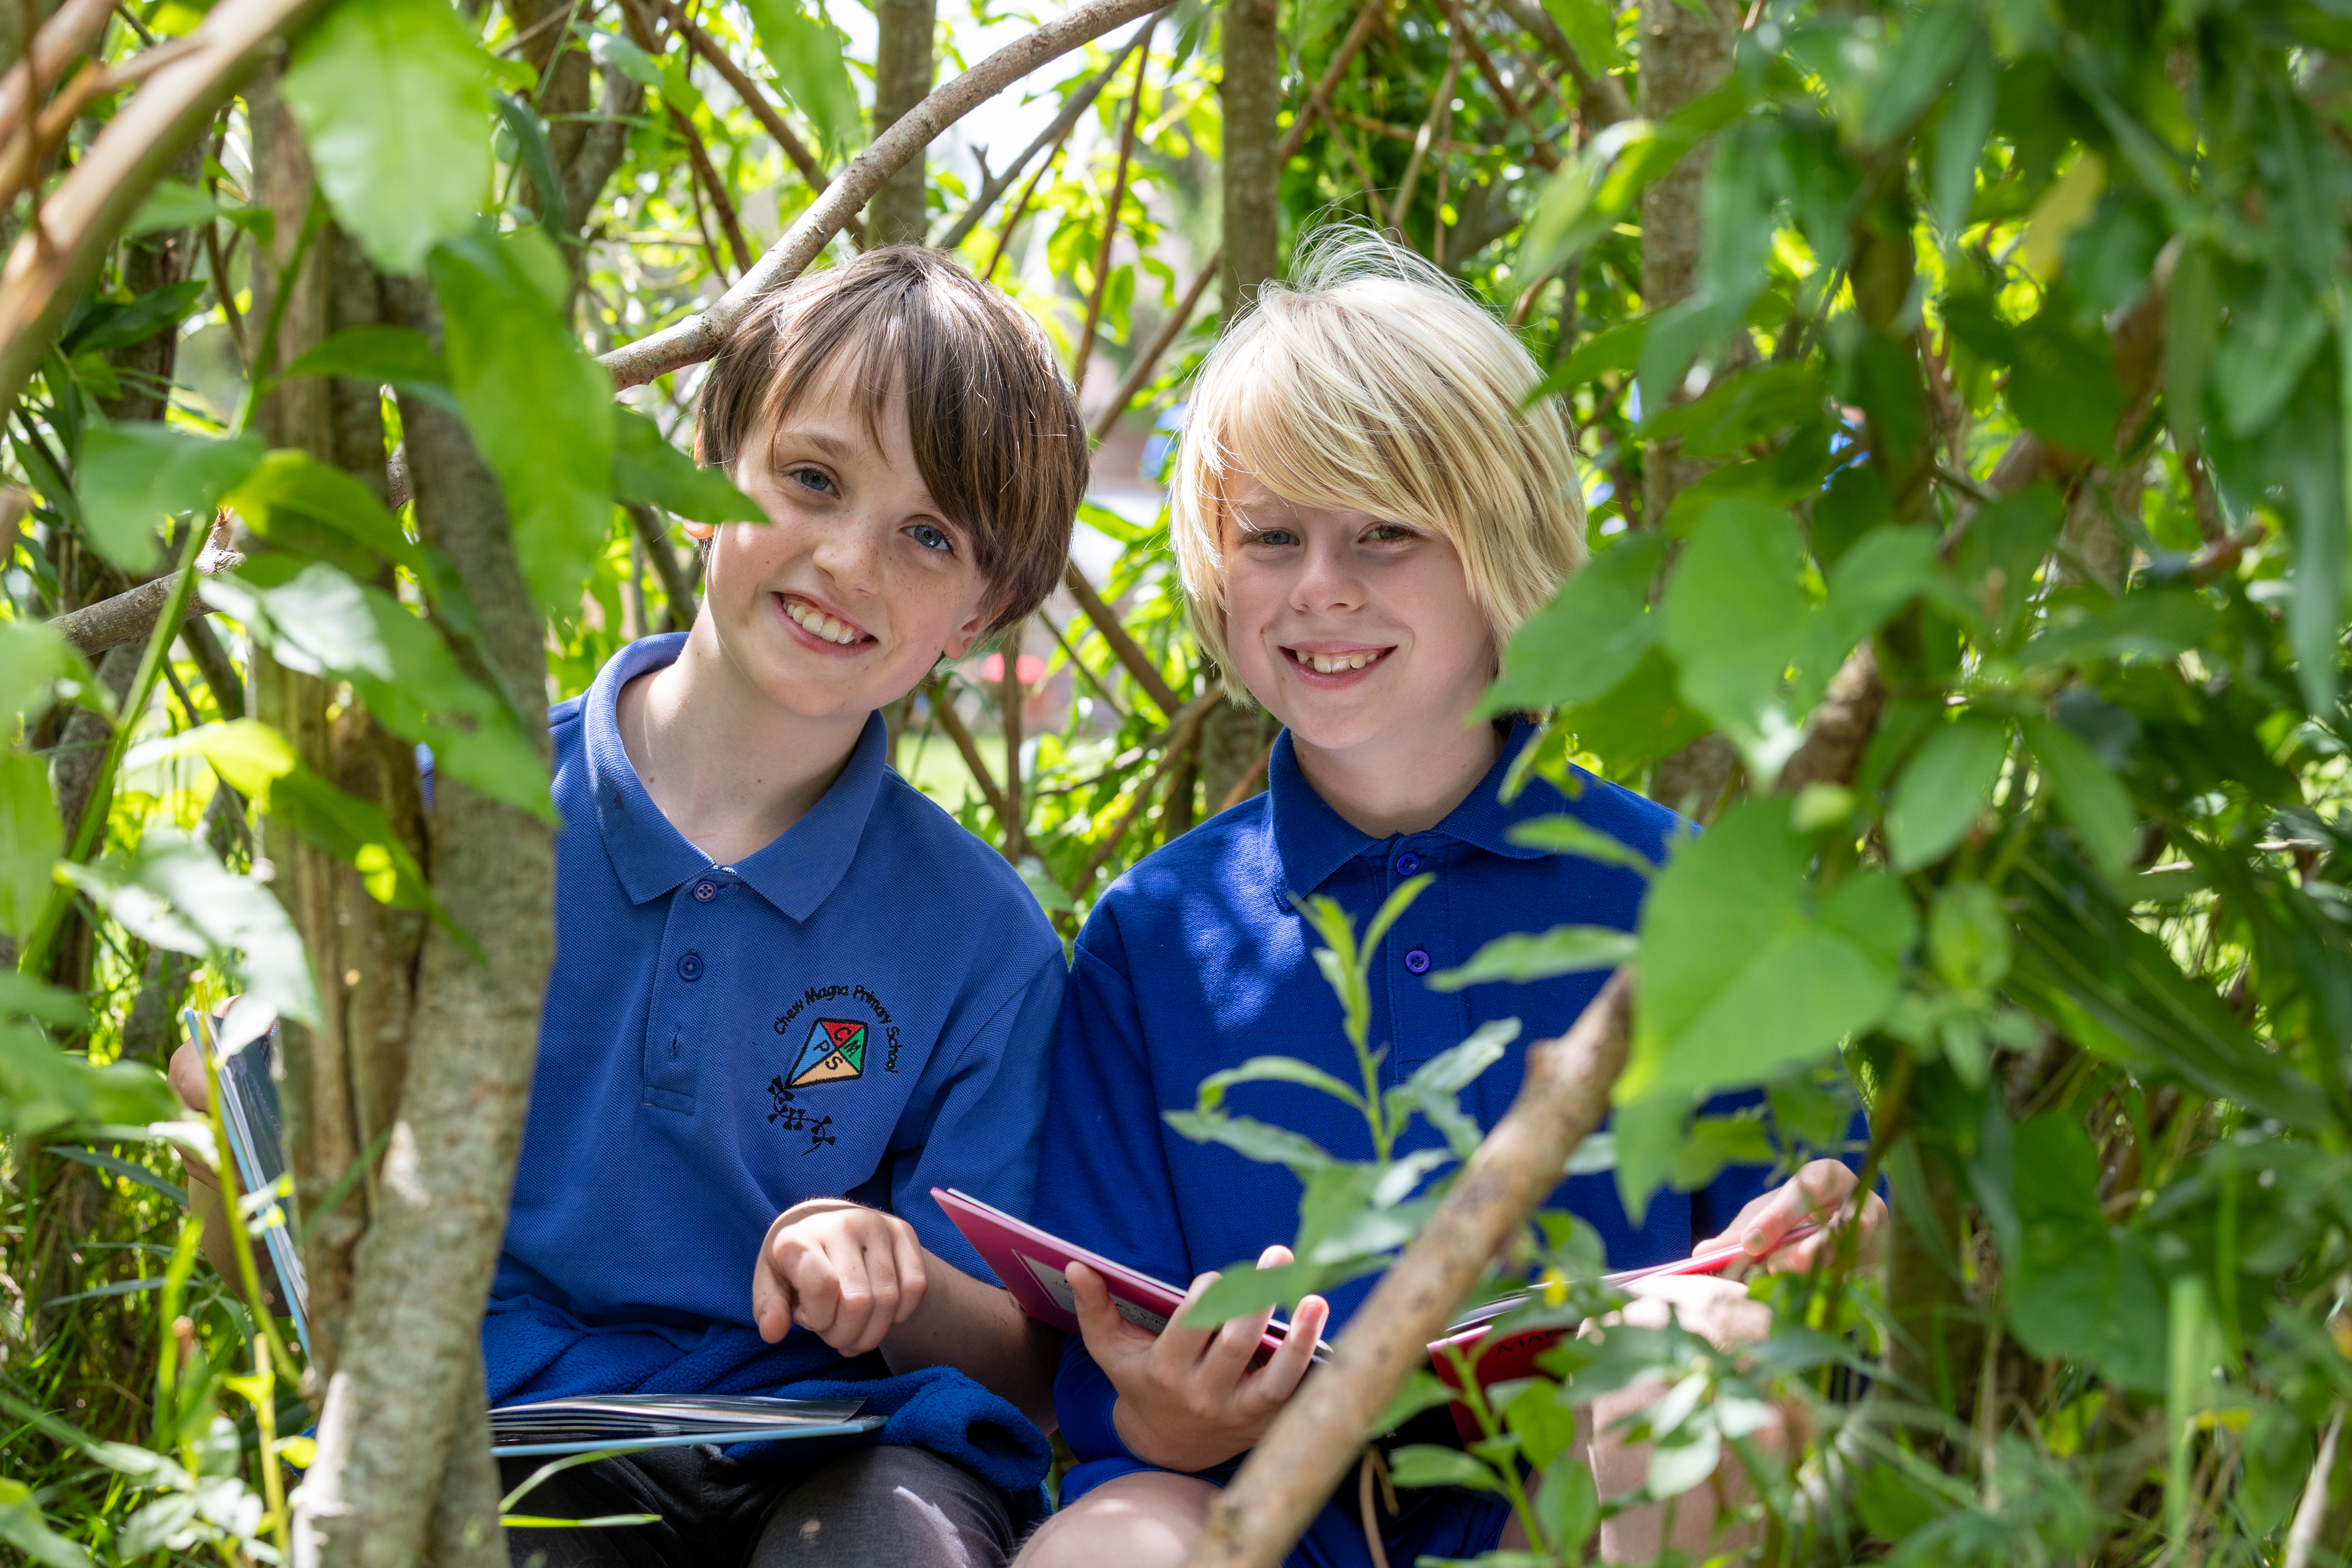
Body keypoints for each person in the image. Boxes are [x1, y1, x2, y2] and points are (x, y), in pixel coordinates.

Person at [171, 245, 1092, 1568]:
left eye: (929, 537)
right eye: (813, 479)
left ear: (984, 609)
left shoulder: (983, 942)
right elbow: (271, 1224)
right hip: (526, 1429)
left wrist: (894, 1271)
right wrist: (235, 1132)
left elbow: (1023, 1367)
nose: (847, 561)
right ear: (709, 460)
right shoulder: (460, 807)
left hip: (841, 1444)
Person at [1013, 232, 1885, 1568]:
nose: (1321, 587)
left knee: (1689, 1379)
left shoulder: (1684, 894)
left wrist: (1827, 1236)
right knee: (1102, 1548)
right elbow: (1107, 1386)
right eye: (1273, 536)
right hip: (1265, 1515)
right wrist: (1168, 1407)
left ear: (1500, 551)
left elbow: (1826, 1251)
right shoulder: (1157, 932)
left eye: (1383, 533)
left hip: (1585, 1504)